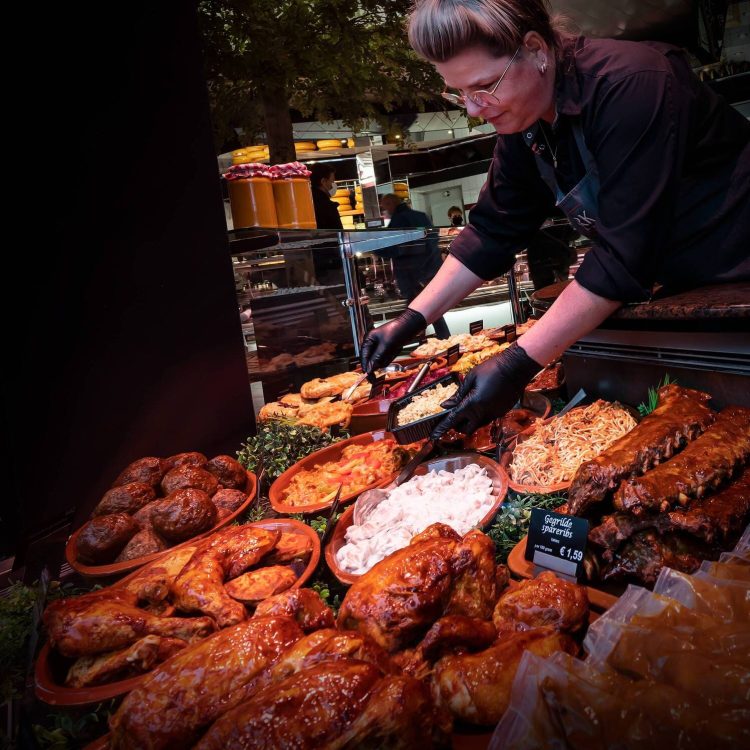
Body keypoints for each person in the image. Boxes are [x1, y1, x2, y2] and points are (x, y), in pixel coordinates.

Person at [361, 0, 749, 439]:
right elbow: (493, 228)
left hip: (737, 273)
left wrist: (517, 363)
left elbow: (624, 256)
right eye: (460, 94)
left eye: (485, 86)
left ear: (535, 48)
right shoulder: (525, 124)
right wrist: (413, 317)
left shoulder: (631, 83)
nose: (473, 109)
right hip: (679, 284)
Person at [379, 193, 450, 339]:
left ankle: (415, 343)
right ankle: (441, 340)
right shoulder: (420, 215)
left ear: (392, 204)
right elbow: (433, 238)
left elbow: (393, 248)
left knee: (415, 313)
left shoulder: (398, 220)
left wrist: (374, 248)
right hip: (429, 271)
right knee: (431, 309)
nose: (384, 209)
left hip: (411, 275)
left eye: (385, 206)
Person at [309, 163, 343, 230]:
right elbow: (338, 234)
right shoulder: (327, 206)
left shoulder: (306, 201)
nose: (334, 185)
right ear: (323, 181)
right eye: (332, 181)